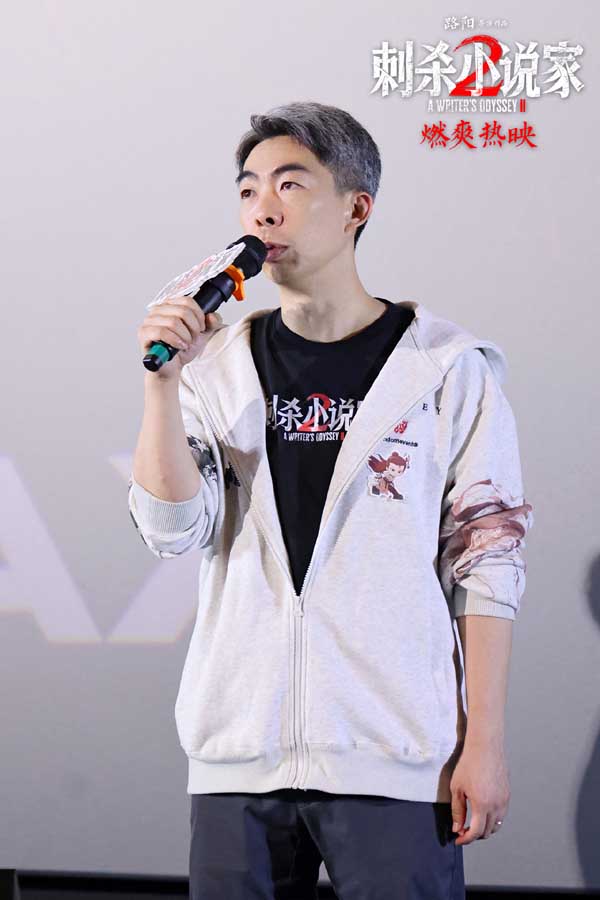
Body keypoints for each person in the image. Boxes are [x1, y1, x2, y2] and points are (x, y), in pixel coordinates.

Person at [128, 101, 534, 899]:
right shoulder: (218, 369)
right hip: (239, 757)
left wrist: (482, 742)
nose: (262, 210)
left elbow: (488, 562)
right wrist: (162, 385)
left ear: (356, 209)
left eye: (289, 184)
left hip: (390, 754)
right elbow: (173, 530)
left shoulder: (445, 369)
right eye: (248, 191)